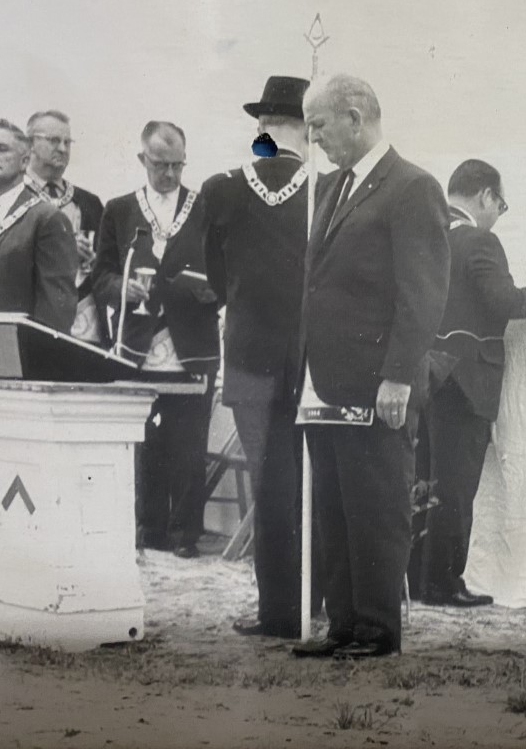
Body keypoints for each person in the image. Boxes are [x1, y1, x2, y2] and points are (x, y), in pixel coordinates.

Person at [291, 74, 449, 660]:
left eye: (319, 125)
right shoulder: (333, 187)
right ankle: (343, 623)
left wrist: (399, 375)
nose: (313, 138)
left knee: (376, 507)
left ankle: (377, 629)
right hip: (325, 380)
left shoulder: (412, 188)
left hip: (377, 381)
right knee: (334, 506)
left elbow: (423, 294)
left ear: (355, 118)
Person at [201, 76, 313, 638]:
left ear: (262, 129)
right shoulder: (326, 189)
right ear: (308, 130)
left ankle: (279, 611)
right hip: (310, 358)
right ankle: (312, 602)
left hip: (248, 356)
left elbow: (215, 280)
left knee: (270, 482)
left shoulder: (220, 188)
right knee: (308, 481)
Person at [407, 159, 526, 607]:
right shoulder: (481, 241)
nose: (498, 216)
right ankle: (443, 583)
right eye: (500, 205)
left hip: (423, 374)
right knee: (455, 487)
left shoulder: (425, 234)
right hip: (466, 379)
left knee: (424, 480)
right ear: (485, 195)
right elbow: (504, 301)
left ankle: (416, 576)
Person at [93, 121, 219, 559]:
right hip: (137, 345)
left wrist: (208, 289)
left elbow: (226, 272)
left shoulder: (206, 208)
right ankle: (149, 530)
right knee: (142, 440)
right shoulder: (119, 210)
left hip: (193, 345)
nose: (168, 174)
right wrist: (121, 288)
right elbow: (101, 275)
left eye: (177, 165)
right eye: (159, 164)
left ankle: (186, 535)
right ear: (141, 159)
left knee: (189, 444)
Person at [0, 119, 78, 332]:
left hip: (12, 343)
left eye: (1, 148)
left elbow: (56, 311)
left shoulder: (45, 218)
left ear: (24, 162)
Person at [24, 110, 105, 344]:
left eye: (67, 142)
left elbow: (108, 267)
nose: (62, 148)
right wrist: (65, 250)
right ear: (30, 144)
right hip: (31, 318)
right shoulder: (11, 194)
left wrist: (93, 259)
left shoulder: (90, 203)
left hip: (85, 326)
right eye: (53, 140)